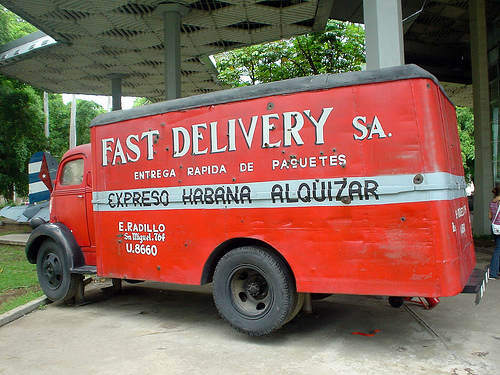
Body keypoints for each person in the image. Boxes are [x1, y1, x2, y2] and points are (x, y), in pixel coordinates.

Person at [488, 186, 500, 279]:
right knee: (498, 250)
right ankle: (493, 272)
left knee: (498, 248)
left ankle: (496, 270)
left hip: (494, 227)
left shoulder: (492, 202)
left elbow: (490, 216)